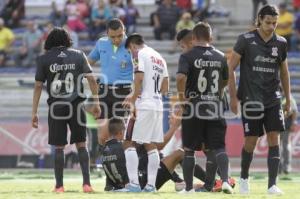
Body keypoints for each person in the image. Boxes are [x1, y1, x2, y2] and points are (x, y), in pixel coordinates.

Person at [227, 5, 291, 195]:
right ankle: (244, 179)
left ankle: (272, 184)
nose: (272, 26)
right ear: (260, 19)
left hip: (273, 98)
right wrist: (233, 97)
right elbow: (230, 68)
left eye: (275, 23)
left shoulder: (281, 42)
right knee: (251, 142)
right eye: (268, 22)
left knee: (274, 139)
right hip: (251, 99)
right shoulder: (245, 40)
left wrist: (288, 99)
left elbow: (285, 72)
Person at [32, 27, 101, 193]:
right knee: (81, 144)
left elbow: (38, 86)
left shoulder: (43, 59)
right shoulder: (78, 55)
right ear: (67, 39)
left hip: (56, 107)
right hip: (76, 105)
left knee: (59, 147)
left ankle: (59, 186)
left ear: (50, 41)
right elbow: (91, 79)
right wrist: (97, 102)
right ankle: (86, 184)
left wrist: (34, 112)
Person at [176, 22, 232, 194]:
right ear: (211, 38)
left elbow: (180, 78)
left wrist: (181, 98)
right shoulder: (221, 56)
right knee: (218, 147)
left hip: (194, 107)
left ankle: (188, 189)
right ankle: (224, 181)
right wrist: (218, 94)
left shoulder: (187, 56)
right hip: (215, 107)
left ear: (193, 38)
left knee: (189, 150)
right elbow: (225, 80)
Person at [122, 33, 169, 192]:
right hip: (157, 104)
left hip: (144, 104)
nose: (130, 54)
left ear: (133, 46)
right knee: (151, 144)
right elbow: (165, 87)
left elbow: (139, 77)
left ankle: (134, 185)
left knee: (128, 141)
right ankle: (150, 186)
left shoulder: (138, 54)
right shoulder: (159, 57)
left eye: (129, 51)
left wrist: (133, 98)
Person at [88, 18, 133, 149]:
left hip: (123, 93)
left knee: (120, 134)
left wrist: (135, 93)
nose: (117, 40)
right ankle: (107, 166)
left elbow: (140, 72)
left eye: (120, 36)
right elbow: (88, 62)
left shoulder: (132, 45)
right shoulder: (101, 43)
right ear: (107, 34)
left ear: (124, 31)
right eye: (112, 37)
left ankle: (122, 166)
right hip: (103, 91)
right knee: (102, 135)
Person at [279, 94, 298, 175]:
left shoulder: (289, 98)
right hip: (277, 125)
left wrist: (293, 123)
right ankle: (279, 167)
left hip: (285, 125)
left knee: (285, 145)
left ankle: (286, 167)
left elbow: (294, 112)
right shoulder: (281, 97)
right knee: (278, 146)